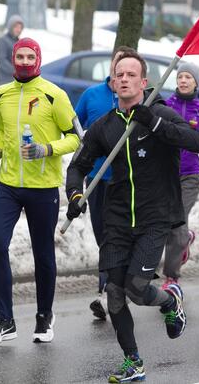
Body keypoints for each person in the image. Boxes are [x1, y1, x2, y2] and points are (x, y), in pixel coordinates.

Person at [65, 50, 199, 383]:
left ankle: (169, 302)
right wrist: (75, 194)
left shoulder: (160, 113)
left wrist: (154, 123)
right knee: (114, 292)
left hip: (154, 217)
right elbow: (78, 165)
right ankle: (133, 361)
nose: (124, 79)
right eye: (118, 74)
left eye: (130, 74)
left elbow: (196, 140)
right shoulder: (105, 126)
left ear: (143, 82)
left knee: (137, 288)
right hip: (116, 218)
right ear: (112, 83)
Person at [0, 37, 80, 345]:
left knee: (43, 254)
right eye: (19, 56)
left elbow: (76, 138)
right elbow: (3, 135)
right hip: (8, 185)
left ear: (37, 59)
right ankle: (4, 321)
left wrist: (46, 149)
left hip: (43, 187)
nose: (23, 61)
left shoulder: (54, 95)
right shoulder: (0, 95)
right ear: (13, 59)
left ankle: (44, 316)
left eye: (28, 56)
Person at [73, 46, 132, 320]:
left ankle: (108, 292)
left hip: (126, 181)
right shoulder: (91, 95)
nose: (120, 72)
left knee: (116, 237)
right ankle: (112, 289)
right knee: (103, 237)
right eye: (116, 64)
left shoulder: (134, 98)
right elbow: (75, 129)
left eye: (126, 67)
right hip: (96, 179)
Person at [162, 63, 199, 287]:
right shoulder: (166, 105)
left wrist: (198, 145)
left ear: (195, 82)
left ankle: (171, 277)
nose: (183, 81)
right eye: (180, 77)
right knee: (166, 221)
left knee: (178, 219)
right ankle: (186, 239)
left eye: (188, 77)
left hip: (190, 174)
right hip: (166, 174)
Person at [0, 14, 24, 86]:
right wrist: (16, 71)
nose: (18, 30)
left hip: (17, 81)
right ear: (10, 27)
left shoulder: (19, 42)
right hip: (5, 81)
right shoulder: (3, 40)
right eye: (16, 27)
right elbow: (2, 60)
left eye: (20, 27)